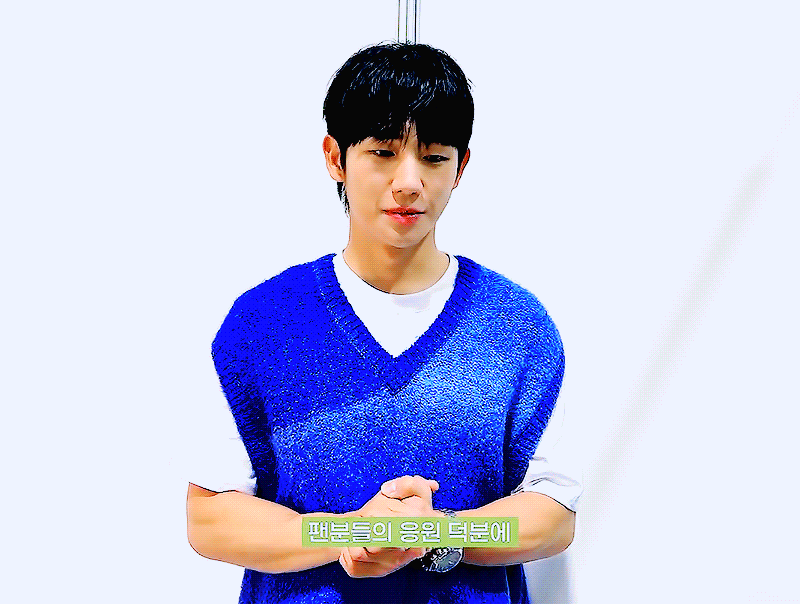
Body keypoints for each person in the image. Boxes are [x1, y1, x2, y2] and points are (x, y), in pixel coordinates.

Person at [186, 42, 582, 604]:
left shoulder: (518, 326)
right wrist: (346, 534)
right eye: (383, 152)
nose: (409, 181)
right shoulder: (260, 325)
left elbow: (554, 517)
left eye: (434, 157)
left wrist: (442, 535)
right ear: (335, 157)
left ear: (462, 167)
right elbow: (209, 518)